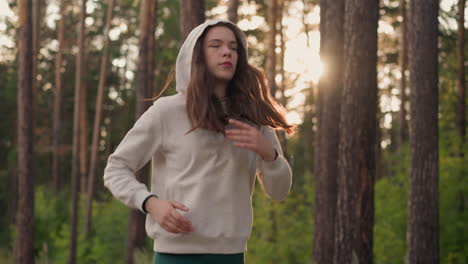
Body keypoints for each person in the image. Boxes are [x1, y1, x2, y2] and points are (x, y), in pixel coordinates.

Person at [103, 19, 295, 264]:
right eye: (216, 45)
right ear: (197, 55)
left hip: (231, 257)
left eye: (234, 47)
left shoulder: (252, 117)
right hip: (174, 256)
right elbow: (116, 169)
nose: (227, 52)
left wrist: (269, 153)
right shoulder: (167, 112)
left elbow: (279, 192)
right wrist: (151, 203)